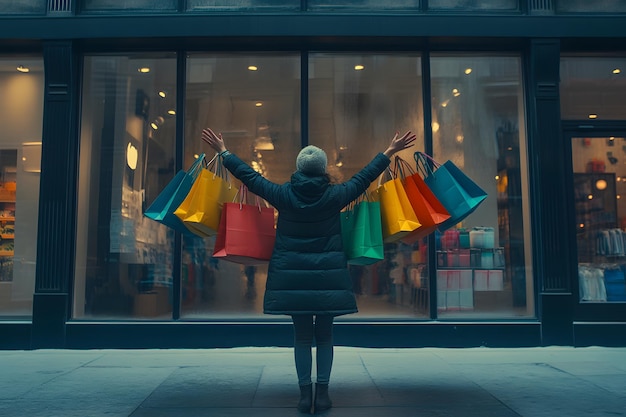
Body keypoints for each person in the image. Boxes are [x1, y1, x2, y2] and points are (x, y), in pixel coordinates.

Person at [202, 128, 416, 414]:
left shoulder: (282, 195)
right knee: (325, 336)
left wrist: (223, 151)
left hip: (292, 277)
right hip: (328, 277)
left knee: (301, 337)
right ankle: (323, 394)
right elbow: (364, 178)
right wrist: (389, 151)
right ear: (323, 170)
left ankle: (305, 396)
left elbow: (250, 179)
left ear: (298, 169)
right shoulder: (336, 195)